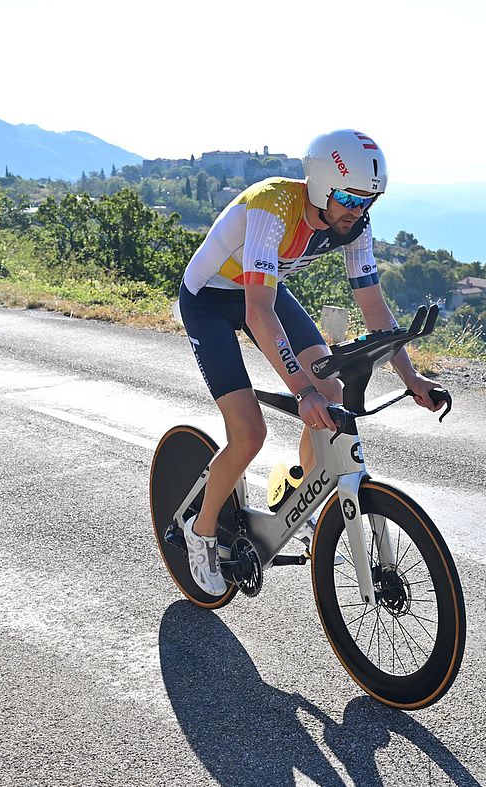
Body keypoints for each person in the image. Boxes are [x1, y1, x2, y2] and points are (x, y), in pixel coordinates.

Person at [176, 129, 443, 595]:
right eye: (347, 198)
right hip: (211, 301)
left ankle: (304, 494)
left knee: (333, 391)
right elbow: (257, 311)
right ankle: (199, 532)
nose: (356, 211)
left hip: (263, 292)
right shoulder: (272, 206)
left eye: (368, 202)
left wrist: (412, 376)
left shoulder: (354, 225)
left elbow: (375, 309)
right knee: (250, 433)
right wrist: (301, 391)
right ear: (321, 185)